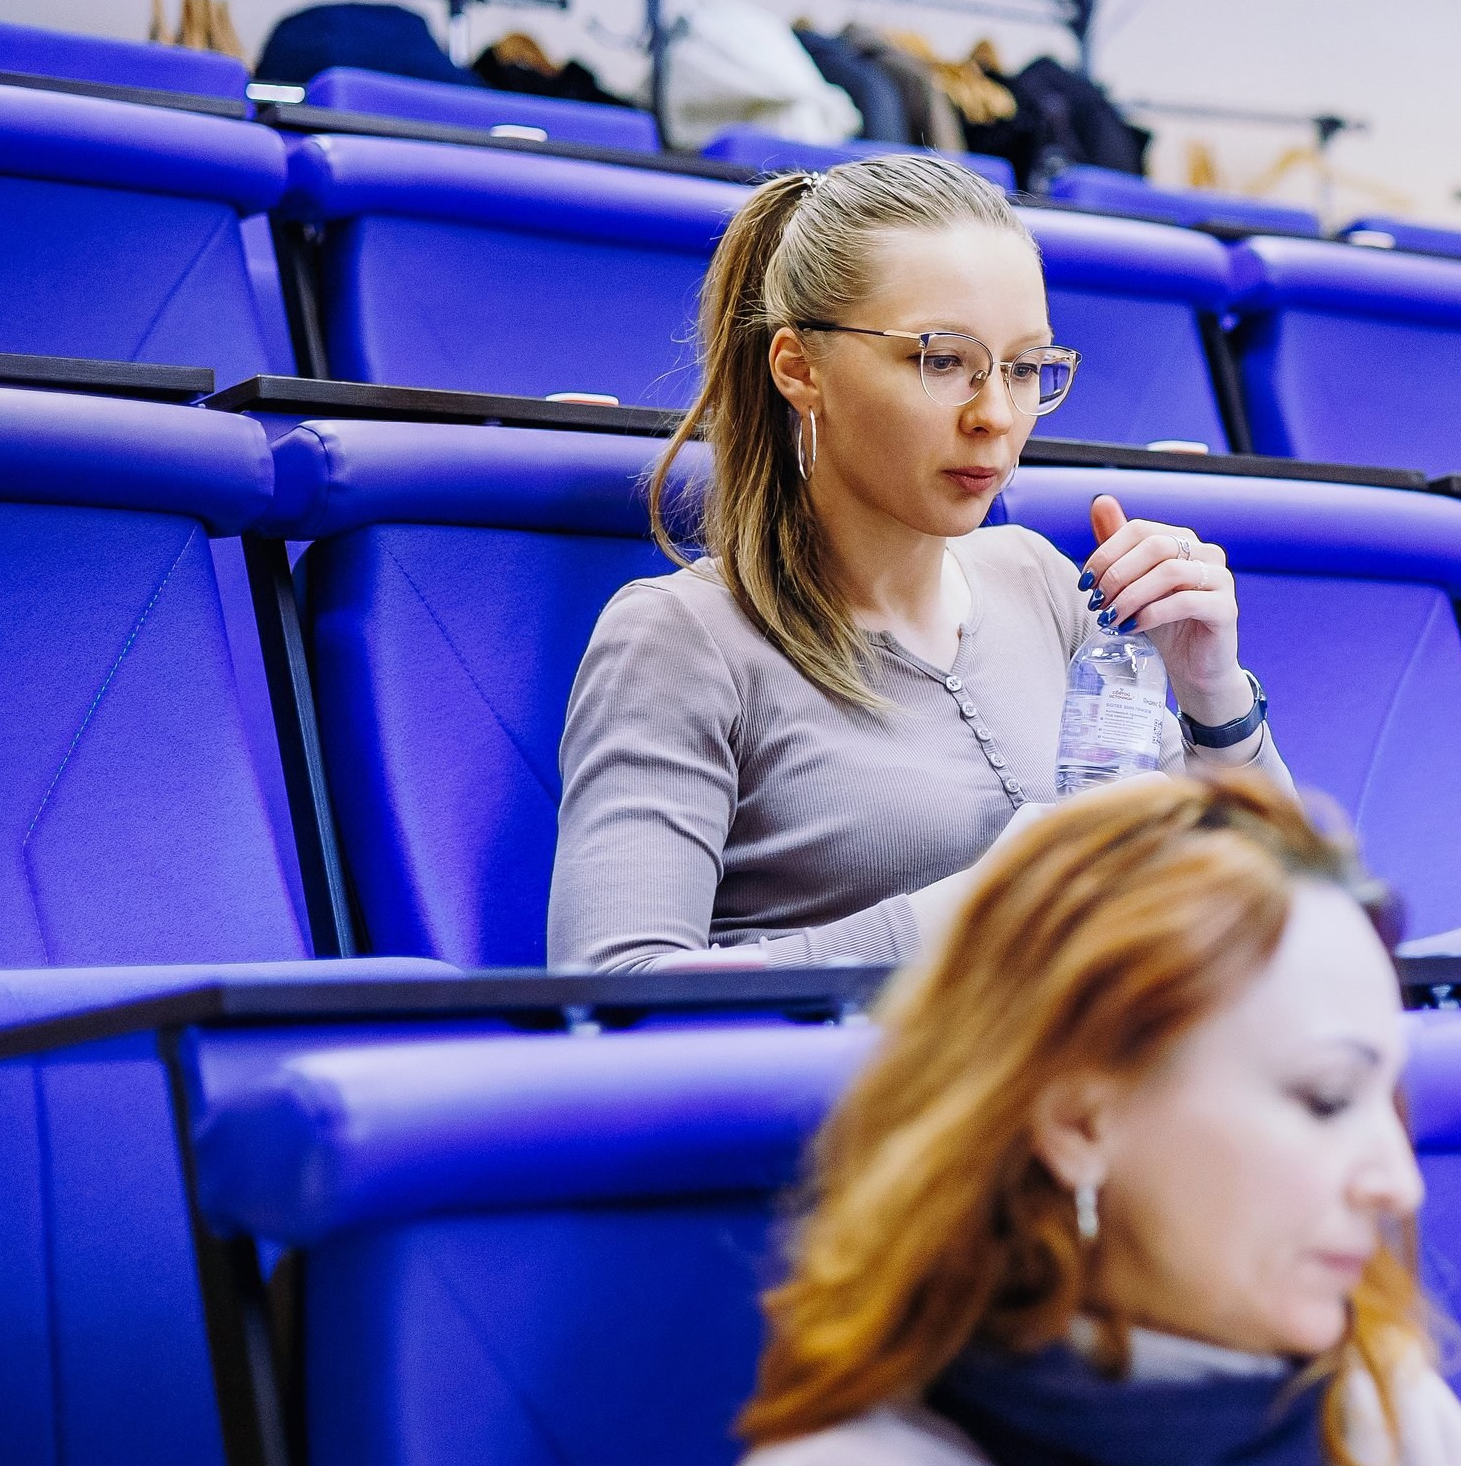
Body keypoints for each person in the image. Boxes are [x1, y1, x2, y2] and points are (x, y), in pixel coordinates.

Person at [676, 773, 1461, 1466]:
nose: (1397, 1183)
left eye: (1391, 1101)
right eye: (1328, 1097)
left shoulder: (1386, 1416)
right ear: (1081, 1122)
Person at [547, 154, 1290, 973]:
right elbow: (615, 993)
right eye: (943, 361)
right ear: (799, 367)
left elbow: (1275, 914)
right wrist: (985, 905)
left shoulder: (1045, 581)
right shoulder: (681, 636)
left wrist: (1214, 697)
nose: (996, 416)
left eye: (1024, 368)